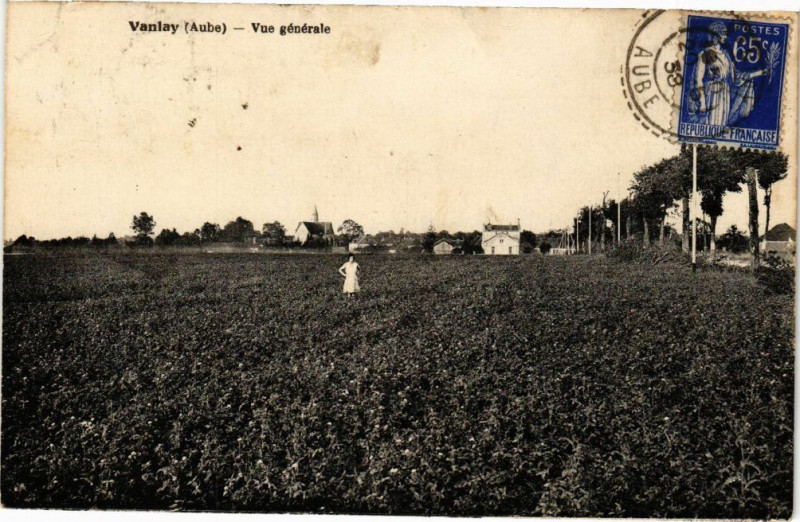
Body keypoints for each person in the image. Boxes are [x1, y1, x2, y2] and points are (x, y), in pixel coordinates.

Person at [689, 21, 765, 127]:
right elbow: (698, 79)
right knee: (710, 125)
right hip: (711, 95)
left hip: (725, 95)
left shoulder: (726, 56)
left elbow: (736, 76)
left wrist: (758, 73)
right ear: (716, 36)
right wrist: (702, 103)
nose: (725, 36)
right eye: (723, 33)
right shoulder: (705, 54)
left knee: (721, 127)